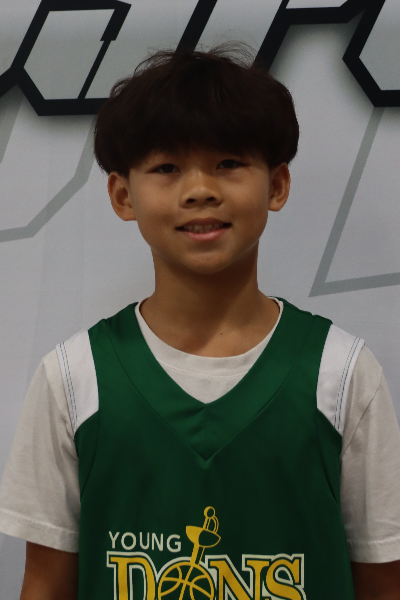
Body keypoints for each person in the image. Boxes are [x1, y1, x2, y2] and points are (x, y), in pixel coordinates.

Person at [0, 45, 400, 600]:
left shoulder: (342, 373)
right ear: (122, 195)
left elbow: (383, 582)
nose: (200, 190)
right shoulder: (73, 379)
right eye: (167, 168)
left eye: (228, 163)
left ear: (277, 185)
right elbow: (45, 584)